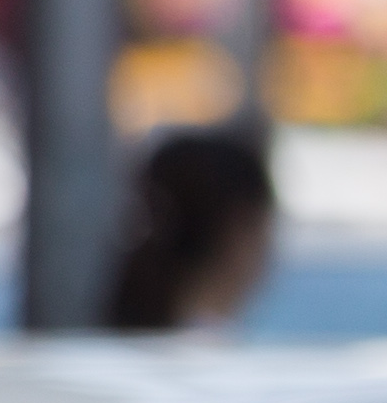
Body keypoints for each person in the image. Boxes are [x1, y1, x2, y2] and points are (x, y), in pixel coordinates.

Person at [106, 125, 277, 333]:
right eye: (265, 226)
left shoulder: (110, 331)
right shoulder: (215, 345)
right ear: (239, 230)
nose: (270, 245)